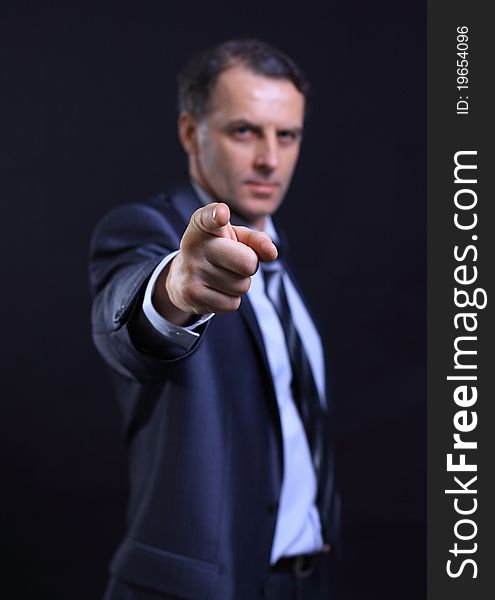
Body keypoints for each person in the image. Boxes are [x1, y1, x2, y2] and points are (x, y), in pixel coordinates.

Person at [90, 39, 338, 600]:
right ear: (189, 133)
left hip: (303, 581)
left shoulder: (282, 262)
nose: (270, 159)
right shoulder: (146, 229)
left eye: (288, 135)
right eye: (245, 131)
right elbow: (126, 323)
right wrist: (176, 286)